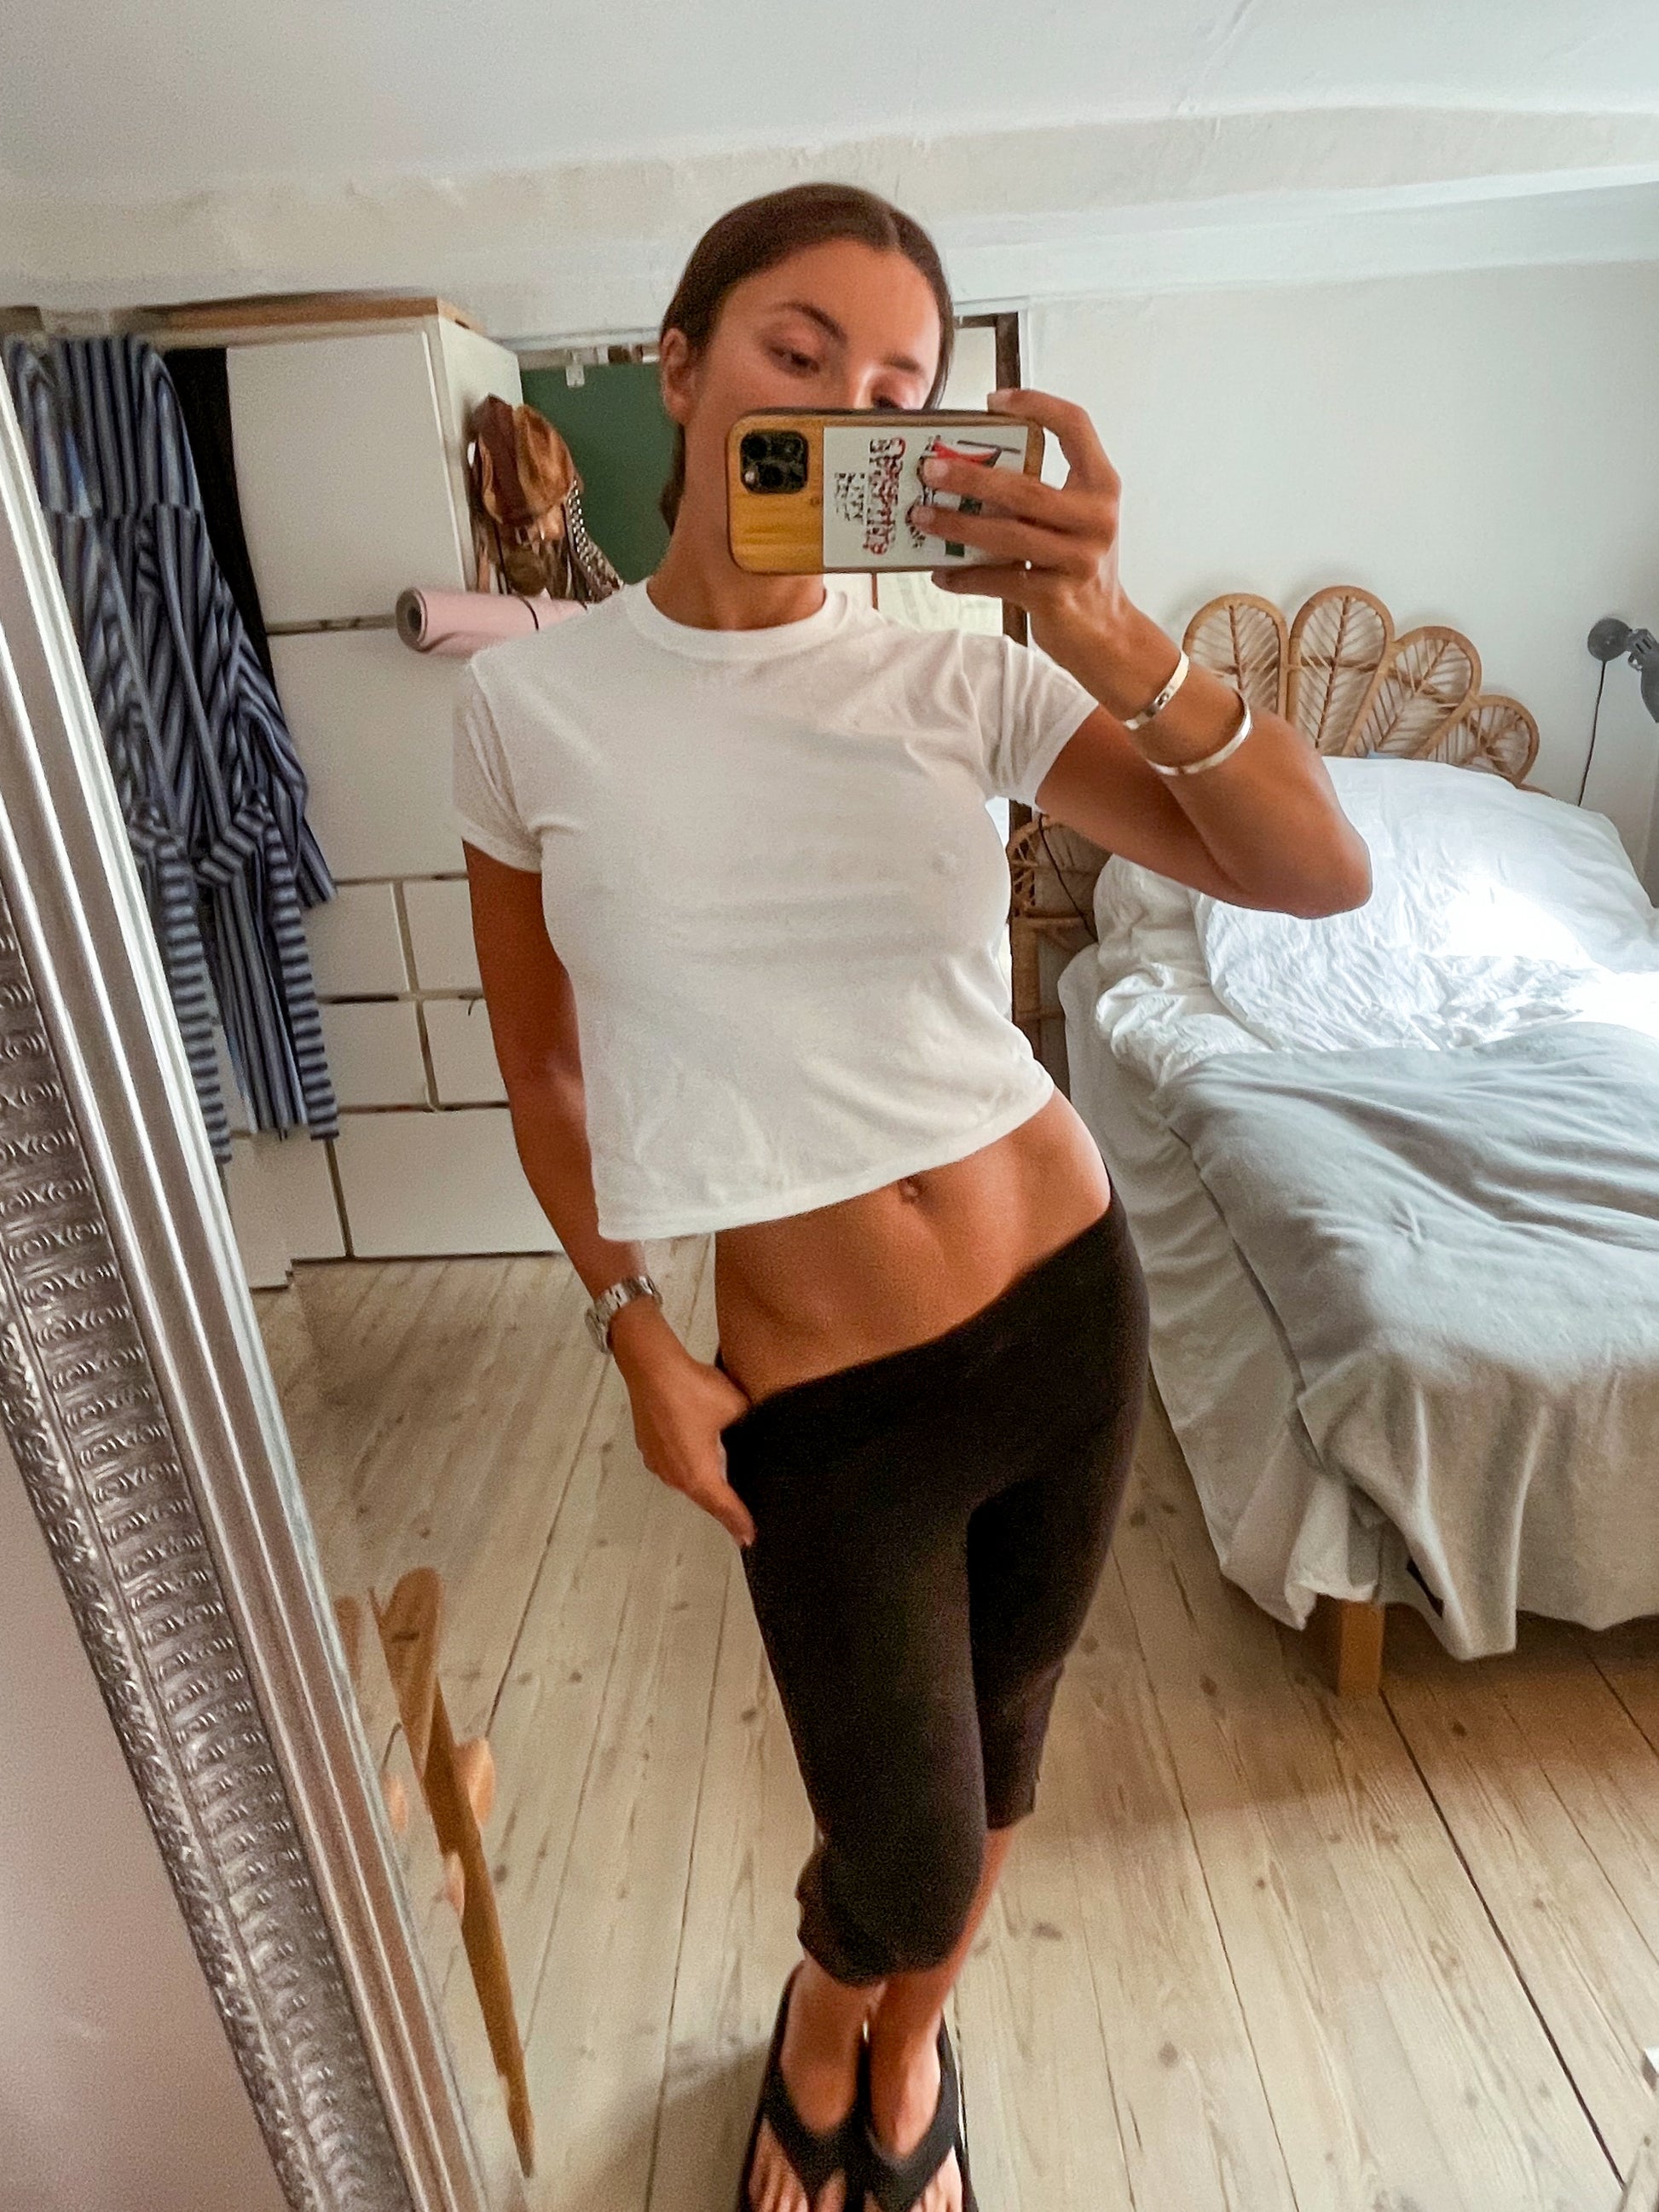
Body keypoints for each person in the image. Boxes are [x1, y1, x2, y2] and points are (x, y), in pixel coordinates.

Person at [454, 182, 1370, 2212]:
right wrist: (632, 1329)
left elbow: (1314, 872)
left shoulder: (962, 678)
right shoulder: (526, 710)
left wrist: (1104, 628)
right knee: (910, 1835)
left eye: (893, 395)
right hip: (820, 1395)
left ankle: (906, 2040)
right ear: (678, 368)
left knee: (1008, 1744)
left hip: (1062, 1303)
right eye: (793, 355)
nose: (835, 412)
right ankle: (827, 1999)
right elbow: (545, 1072)